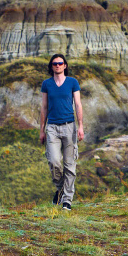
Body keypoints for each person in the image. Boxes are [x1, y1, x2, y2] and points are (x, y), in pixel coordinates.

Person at [39, 53, 84, 210]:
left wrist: (81, 127)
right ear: (51, 67)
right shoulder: (47, 84)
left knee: (70, 165)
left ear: (65, 65)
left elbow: (78, 105)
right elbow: (44, 107)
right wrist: (42, 130)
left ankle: (67, 200)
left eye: (60, 63)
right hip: (52, 127)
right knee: (54, 161)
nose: (57, 65)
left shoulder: (72, 82)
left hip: (69, 126)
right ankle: (60, 189)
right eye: (54, 64)